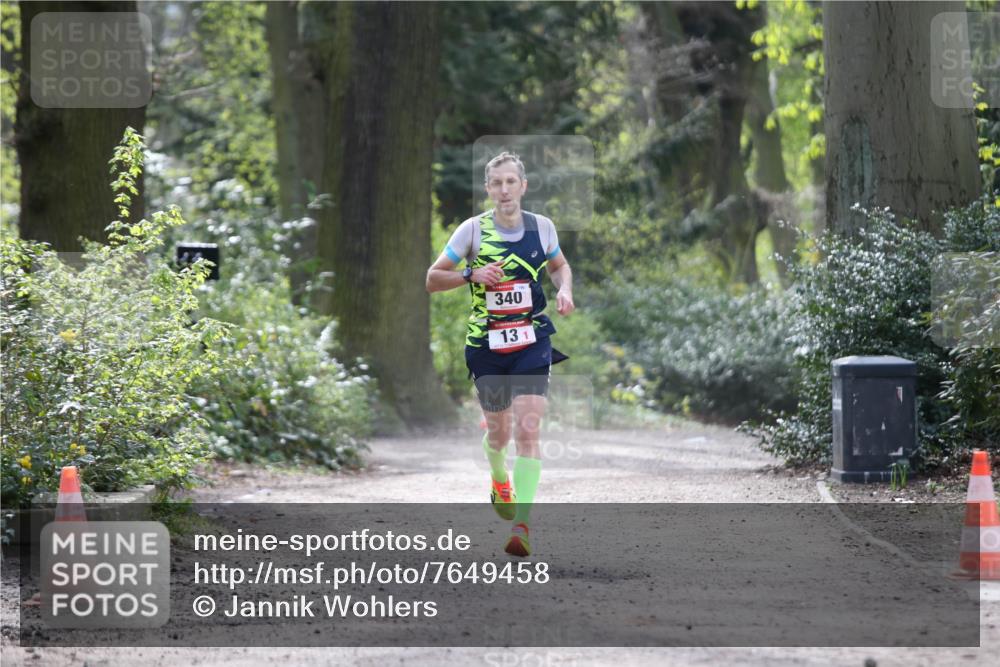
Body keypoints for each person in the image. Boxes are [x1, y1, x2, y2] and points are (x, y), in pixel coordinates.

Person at [426, 151, 574, 557]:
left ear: (523, 186)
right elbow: (432, 279)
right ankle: (498, 477)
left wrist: (564, 289)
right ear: (488, 189)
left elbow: (560, 265)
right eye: (497, 183)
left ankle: (522, 525)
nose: (504, 189)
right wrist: (470, 274)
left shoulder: (542, 228)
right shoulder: (471, 232)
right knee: (499, 432)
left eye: (511, 182)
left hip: (531, 340)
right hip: (487, 346)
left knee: (528, 427)